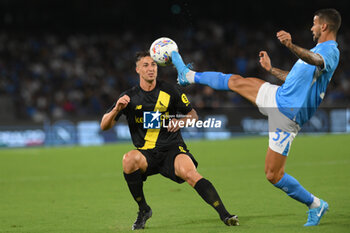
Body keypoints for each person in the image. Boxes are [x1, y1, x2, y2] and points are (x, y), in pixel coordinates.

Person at [171, 8, 341, 226]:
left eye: (314, 23)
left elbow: (315, 60)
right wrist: (271, 70)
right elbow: (294, 78)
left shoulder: (330, 51)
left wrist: (289, 45)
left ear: (324, 26)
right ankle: (189, 75)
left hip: (287, 116)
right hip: (277, 95)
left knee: (273, 174)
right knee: (235, 80)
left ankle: (316, 205)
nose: (312, 27)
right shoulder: (317, 49)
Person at [100, 51, 239, 230]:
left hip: (172, 149)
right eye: (146, 65)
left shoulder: (170, 90)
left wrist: (181, 121)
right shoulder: (129, 97)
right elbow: (104, 125)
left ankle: (225, 215)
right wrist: (116, 109)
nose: (151, 69)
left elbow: (193, 115)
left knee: (191, 174)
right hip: (146, 153)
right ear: (137, 70)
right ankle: (144, 210)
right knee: (128, 160)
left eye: (154, 65)